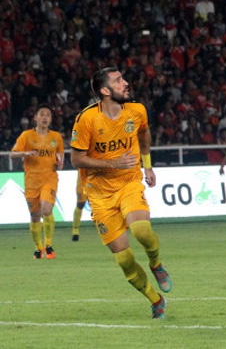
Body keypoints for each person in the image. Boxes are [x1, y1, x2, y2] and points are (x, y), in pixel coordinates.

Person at [70, 67, 172, 320]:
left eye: (123, 79)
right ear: (105, 91)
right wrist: (113, 163)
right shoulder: (87, 119)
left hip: (129, 183)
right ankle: (155, 299)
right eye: (118, 81)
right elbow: (76, 159)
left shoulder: (136, 111)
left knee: (141, 230)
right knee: (124, 260)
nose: (126, 83)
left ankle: (156, 264)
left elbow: (144, 133)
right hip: (99, 195)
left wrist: (147, 165)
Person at [11, 104, 64, 259]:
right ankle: (38, 247)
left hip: (49, 179)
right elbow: (13, 154)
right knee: (35, 216)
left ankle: (48, 244)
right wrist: (26, 153)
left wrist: (60, 162)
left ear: (51, 119)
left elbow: (60, 156)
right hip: (31, 181)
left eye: (48, 114)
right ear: (35, 118)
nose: (45, 117)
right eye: (42, 114)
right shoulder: (26, 135)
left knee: (46, 210)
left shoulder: (56, 137)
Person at [71, 169, 87, 241]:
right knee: (80, 204)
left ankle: (103, 229)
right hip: (82, 179)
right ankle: (75, 230)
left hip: (96, 178)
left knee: (98, 205)